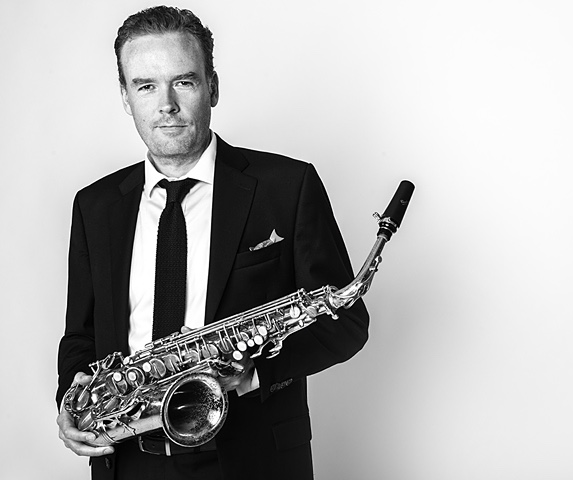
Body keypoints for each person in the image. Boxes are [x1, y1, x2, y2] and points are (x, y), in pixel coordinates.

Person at [55, 6, 369, 480]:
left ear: (212, 87)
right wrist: (71, 400)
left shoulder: (287, 186)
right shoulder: (95, 207)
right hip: (129, 460)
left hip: (252, 461)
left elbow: (347, 322)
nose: (166, 104)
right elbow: (80, 337)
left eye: (183, 82)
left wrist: (252, 374)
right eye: (145, 86)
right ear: (125, 97)